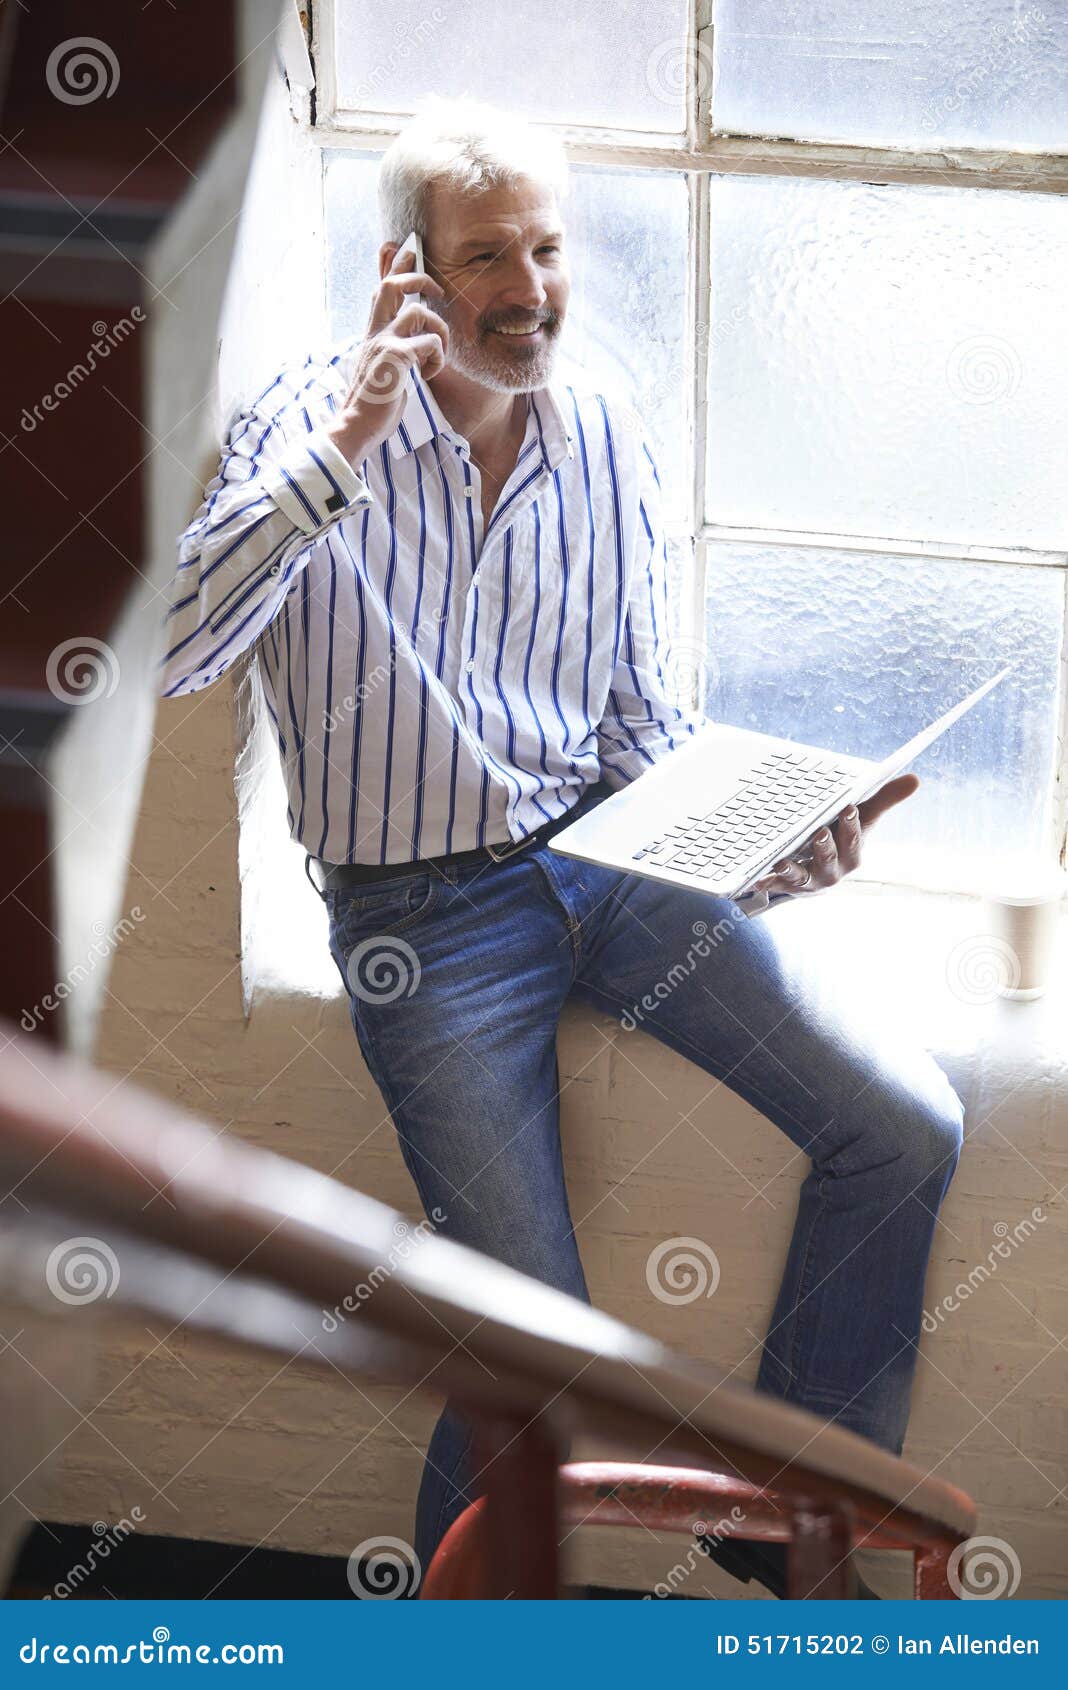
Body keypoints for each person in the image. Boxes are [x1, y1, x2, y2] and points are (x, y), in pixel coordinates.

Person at [158, 99, 963, 1598]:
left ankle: (786, 1525)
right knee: (527, 1337)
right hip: (424, 922)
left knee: (907, 1125)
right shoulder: (302, 421)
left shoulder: (604, 434)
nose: (529, 286)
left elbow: (647, 744)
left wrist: (769, 853)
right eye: (486, 256)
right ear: (405, 270)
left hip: (611, 865)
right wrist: (346, 444)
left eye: (545, 245)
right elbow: (173, 653)